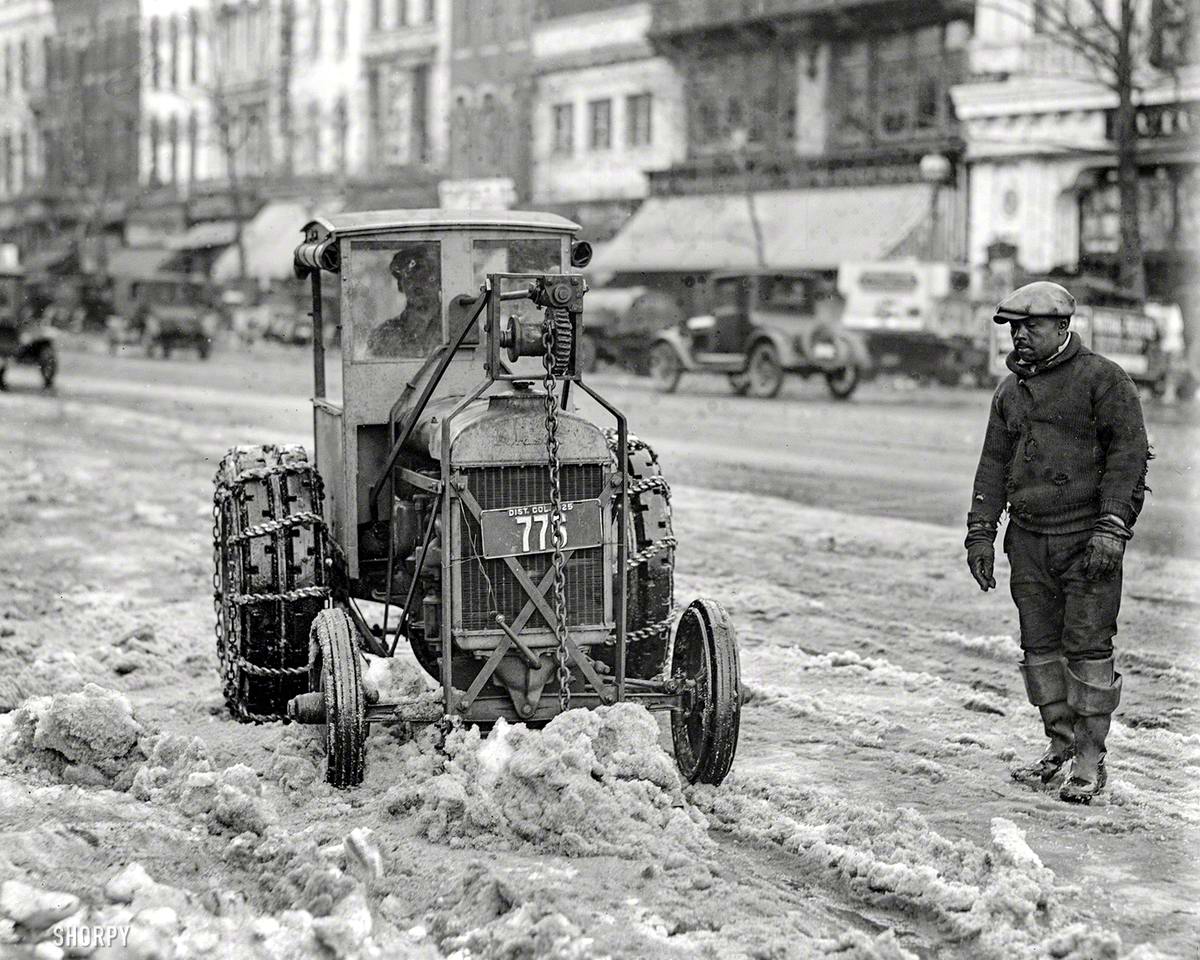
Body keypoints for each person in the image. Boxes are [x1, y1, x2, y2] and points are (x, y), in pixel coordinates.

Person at [965, 280, 1150, 804]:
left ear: (1064, 327)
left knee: (1089, 647)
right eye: (1014, 328)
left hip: (1087, 541)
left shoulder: (1104, 381)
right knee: (1039, 647)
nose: (1020, 337)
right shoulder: (1009, 391)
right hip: (1028, 541)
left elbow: (1128, 459)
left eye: (1032, 326)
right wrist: (980, 532)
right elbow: (993, 465)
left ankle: (1091, 759)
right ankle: (1060, 745)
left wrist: (1112, 528)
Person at [366, 245, 441, 358]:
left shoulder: (457, 329)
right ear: (400, 285)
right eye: (410, 278)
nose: (418, 285)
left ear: (441, 283)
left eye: (426, 277)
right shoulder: (384, 335)